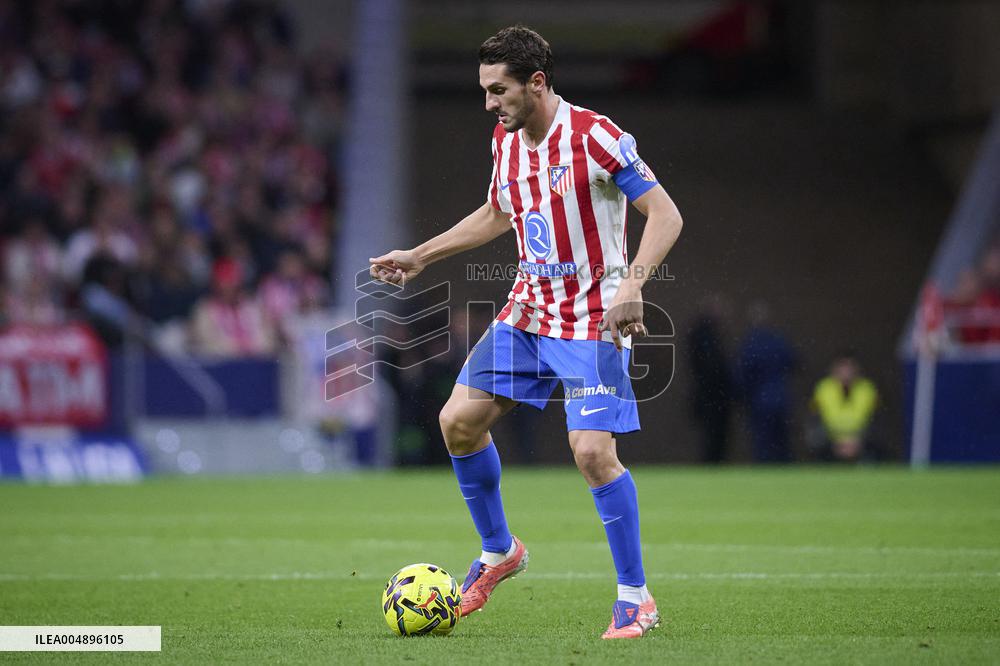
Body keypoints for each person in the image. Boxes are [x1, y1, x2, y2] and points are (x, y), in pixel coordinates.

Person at [369, 26, 683, 639]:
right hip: (528, 313)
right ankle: (498, 553)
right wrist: (422, 255)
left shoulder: (596, 137)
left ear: (537, 83)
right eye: (485, 90)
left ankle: (636, 596)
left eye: (498, 90)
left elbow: (666, 214)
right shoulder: (505, 140)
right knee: (457, 421)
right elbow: (496, 212)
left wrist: (632, 286)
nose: (489, 103)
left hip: (593, 320)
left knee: (593, 454)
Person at [737, 302, 796, 462]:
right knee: (781, 441)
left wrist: (741, 397)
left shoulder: (750, 343)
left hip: (759, 400)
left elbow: (742, 374)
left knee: (762, 441)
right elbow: (794, 361)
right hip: (780, 398)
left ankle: (764, 469)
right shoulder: (778, 340)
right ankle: (785, 471)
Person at [811, 354, 878, 462]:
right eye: (842, 369)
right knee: (816, 436)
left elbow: (872, 419)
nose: (846, 373)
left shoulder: (867, 388)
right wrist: (837, 440)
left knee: (875, 436)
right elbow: (816, 418)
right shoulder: (824, 388)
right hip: (830, 436)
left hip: (859, 436)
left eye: (849, 368)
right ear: (834, 370)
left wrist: (856, 439)